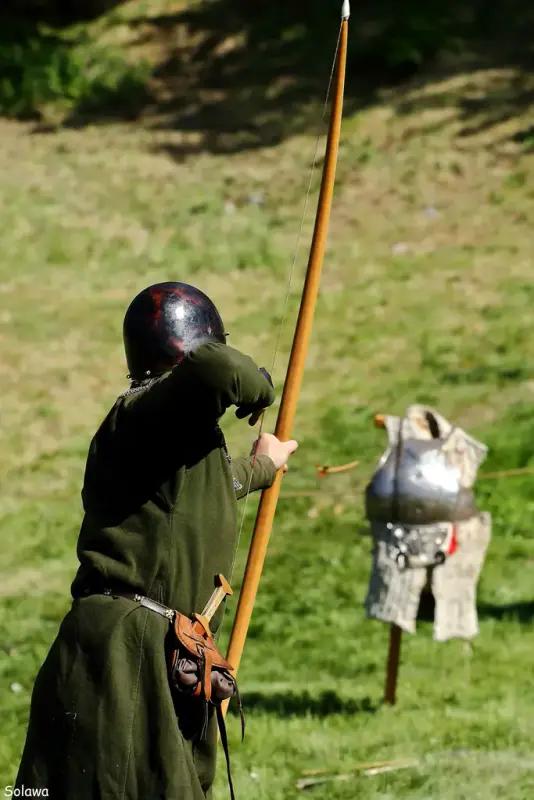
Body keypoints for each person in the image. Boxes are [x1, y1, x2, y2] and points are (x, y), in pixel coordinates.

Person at [15, 282, 298, 800]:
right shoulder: (144, 414)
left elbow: (205, 492)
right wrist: (261, 387)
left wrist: (264, 465)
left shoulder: (162, 436)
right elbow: (222, 371)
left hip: (154, 649)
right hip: (124, 655)